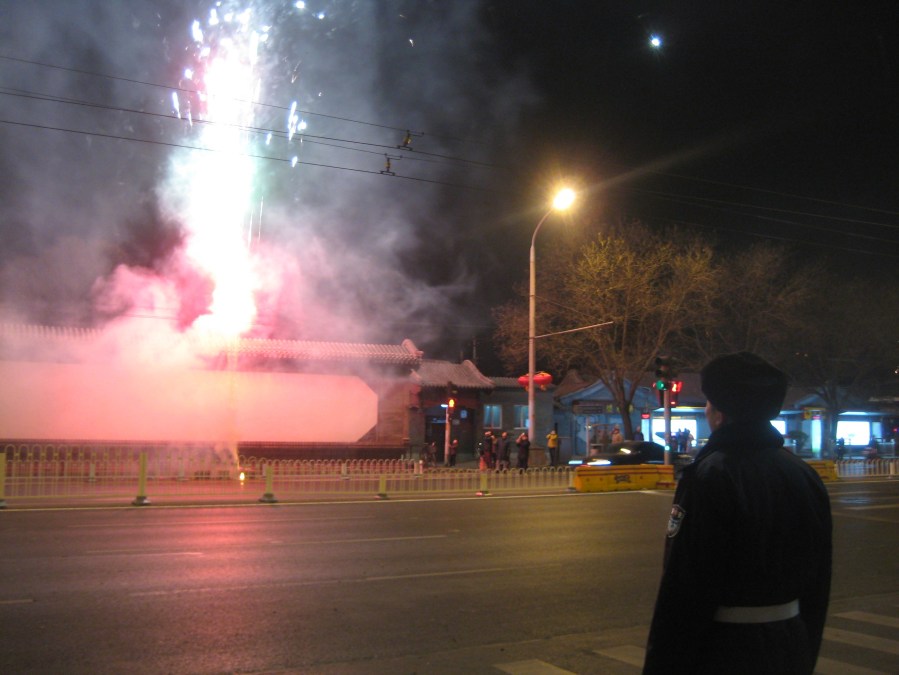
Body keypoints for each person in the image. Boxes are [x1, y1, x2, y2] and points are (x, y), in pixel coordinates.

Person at [643, 352, 832, 674]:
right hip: (790, 643)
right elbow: (819, 583)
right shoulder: (803, 474)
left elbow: (686, 587)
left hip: (725, 649)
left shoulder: (710, 475)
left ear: (720, 413)